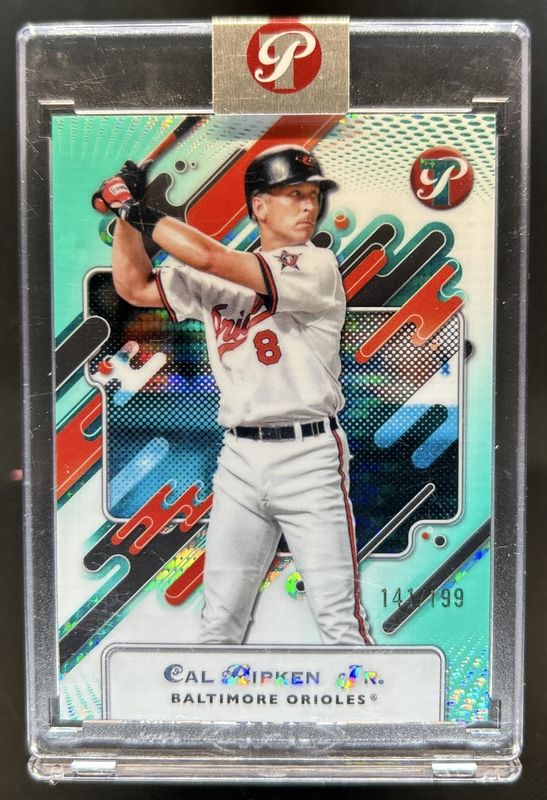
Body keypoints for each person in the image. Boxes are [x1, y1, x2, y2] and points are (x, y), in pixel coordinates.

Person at [95, 144, 373, 646]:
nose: (309, 205)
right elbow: (134, 286)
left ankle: (376, 701)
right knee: (218, 623)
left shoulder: (317, 264)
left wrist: (134, 209)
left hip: (309, 457)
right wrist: (125, 220)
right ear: (259, 206)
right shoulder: (221, 276)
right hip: (240, 458)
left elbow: (209, 256)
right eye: (293, 194)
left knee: (339, 625)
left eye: (312, 195)